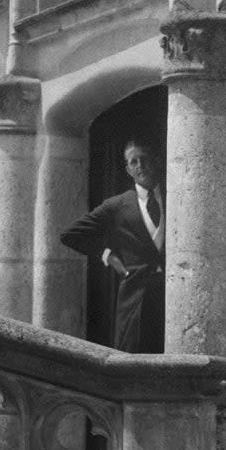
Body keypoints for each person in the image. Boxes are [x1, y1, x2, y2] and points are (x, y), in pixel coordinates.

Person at [60, 139, 165, 353]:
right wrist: (108, 255)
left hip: (170, 296)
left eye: (144, 159)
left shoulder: (177, 197)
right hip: (135, 299)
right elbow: (70, 235)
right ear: (127, 170)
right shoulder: (117, 205)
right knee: (133, 359)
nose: (140, 166)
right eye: (133, 162)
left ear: (156, 161)